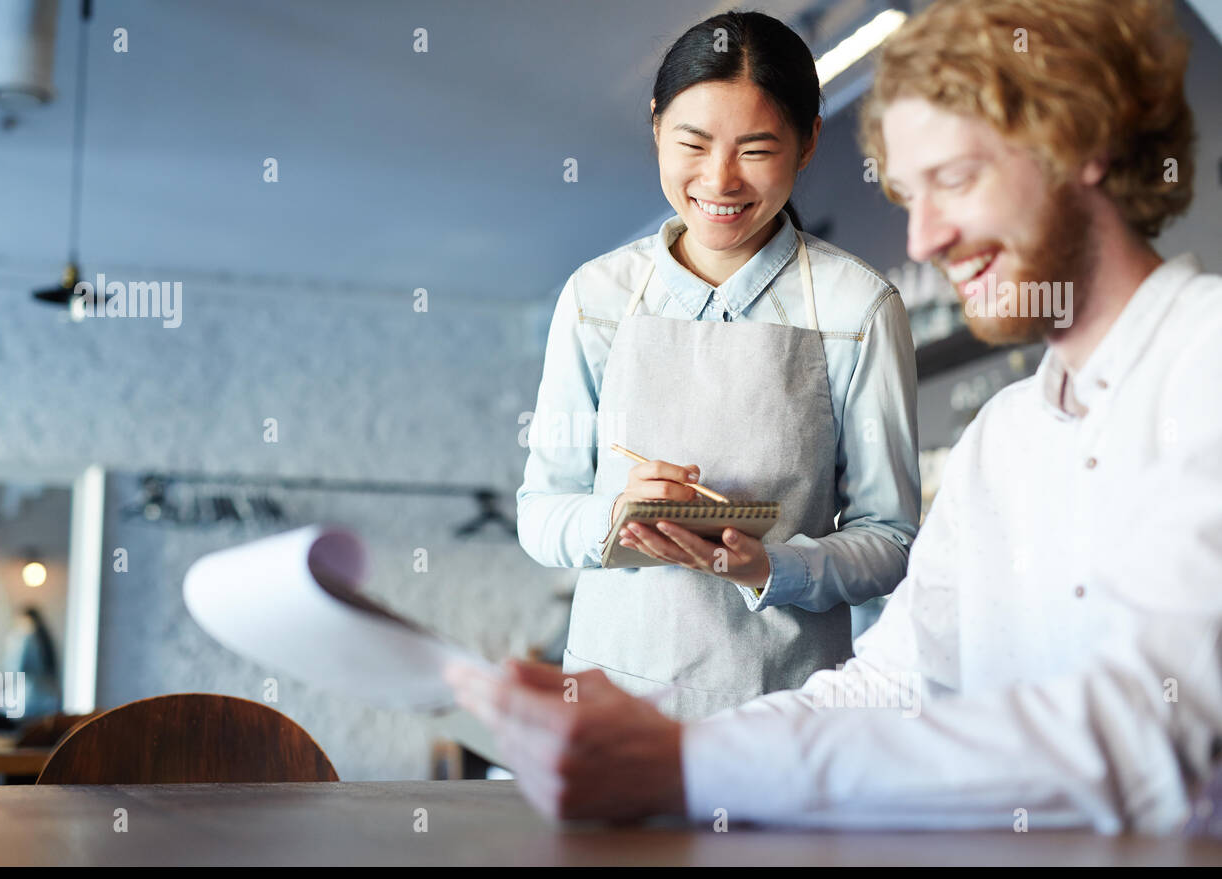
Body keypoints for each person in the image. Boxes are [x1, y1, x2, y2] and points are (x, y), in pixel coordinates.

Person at [450, 0, 1222, 832]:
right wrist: (657, 748)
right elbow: (891, 685)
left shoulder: (1205, 362)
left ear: (1086, 145)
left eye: (955, 179)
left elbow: (1156, 736)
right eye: (907, 194)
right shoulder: (1006, 434)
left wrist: (694, 760)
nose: (921, 239)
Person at [515, 11, 921, 721]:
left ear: (808, 143)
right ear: (655, 127)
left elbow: (890, 540)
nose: (719, 180)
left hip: (780, 709)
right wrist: (614, 518)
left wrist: (773, 566)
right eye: (692, 143)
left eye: (756, 149)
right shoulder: (597, 298)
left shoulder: (860, 309)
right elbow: (540, 514)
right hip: (613, 704)